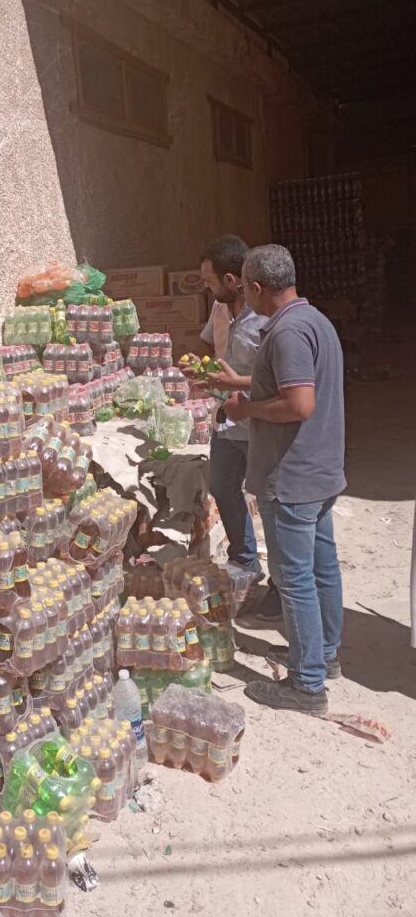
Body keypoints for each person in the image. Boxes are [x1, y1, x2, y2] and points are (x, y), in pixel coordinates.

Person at [224, 244, 345, 715]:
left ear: (255, 288)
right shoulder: (314, 321)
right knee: (321, 569)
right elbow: (288, 383)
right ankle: (322, 656)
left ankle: (306, 685)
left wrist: (245, 409)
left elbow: (298, 404)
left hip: (292, 476)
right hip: (320, 470)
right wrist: (237, 385)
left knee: (295, 580)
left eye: (245, 289)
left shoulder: (287, 332)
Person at [194, 236, 268, 584]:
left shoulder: (266, 316)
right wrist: (199, 367)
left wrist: (241, 387)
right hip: (225, 421)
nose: (207, 289)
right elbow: (207, 343)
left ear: (230, 280)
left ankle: (283, 583)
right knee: (223, 487)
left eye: (210, 282)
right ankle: (245, 560)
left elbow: (281, 377)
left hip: (260, 422)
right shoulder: (219, 308)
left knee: (270, 502)